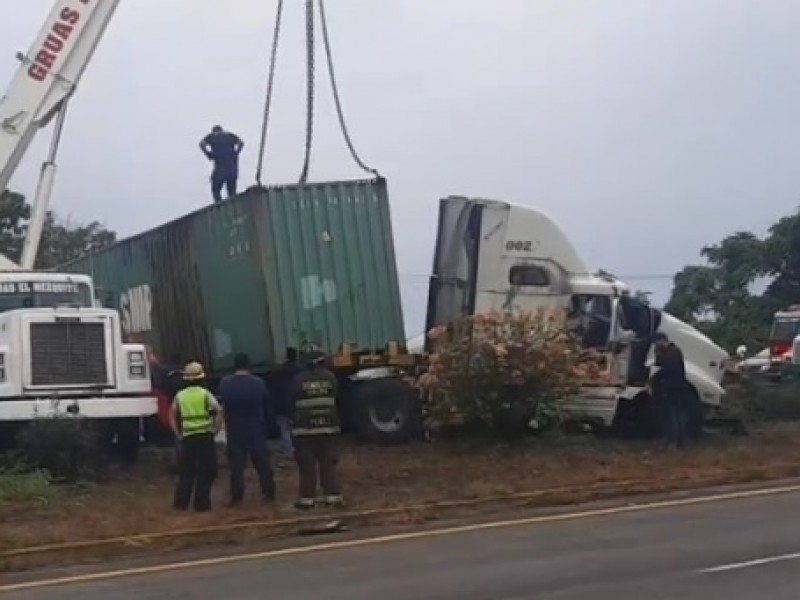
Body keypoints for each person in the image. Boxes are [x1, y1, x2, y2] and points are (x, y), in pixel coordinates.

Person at [217, 352, 276, 505]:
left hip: (235, 428)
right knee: (263, 464)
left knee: (236, 467)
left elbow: (223, 407)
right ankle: (268, 493)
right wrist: (271, 428)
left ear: (234, 365)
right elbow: (267, 407)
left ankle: (237, 496)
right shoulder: (258, 383)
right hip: (255, 427)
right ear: (248, 365)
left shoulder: (225, 383)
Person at [288, 349, 343, 509]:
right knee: (328, 463)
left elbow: (290, 402)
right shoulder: (330, 377)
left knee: (306, 465)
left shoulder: (298, 380)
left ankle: (307, 499)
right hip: (328, 428)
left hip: (304, 430)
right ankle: (332, 497)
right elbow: (337, 400)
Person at [169, 361, 222, 512]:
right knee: (207, 470)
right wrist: (215, 429)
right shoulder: (205, 393)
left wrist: (177, 432)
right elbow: (218, 410)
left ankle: (181, 503)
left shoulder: (180, 396)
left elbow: (171, 414)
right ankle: (202, 504)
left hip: (187, 437)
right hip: (205, 436)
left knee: (187, 471)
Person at [652, 332, 689, 449]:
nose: (657, 345)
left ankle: (675, 441)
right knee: (674, 414)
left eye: (657, 343)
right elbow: (658, 364)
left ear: (662, 340)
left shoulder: (672, 353)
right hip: (674, 386)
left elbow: (667, 369)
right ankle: (675, 441)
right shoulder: (670, 351)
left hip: (674, 387)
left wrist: (656, 377)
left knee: (673, 415)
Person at [199, 125, 244, 203]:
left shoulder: (212, 137)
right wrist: (236, 153)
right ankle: (233, 206)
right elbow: (241, 143)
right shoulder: (230, 136)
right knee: (232, 191)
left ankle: (219, 205)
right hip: (232, 169)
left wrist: (208, 154)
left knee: (216, 189)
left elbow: (201, 144)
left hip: (220, 169)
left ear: (214, 131)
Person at [273, 347, 300, 460]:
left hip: (283, 401)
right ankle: (299, 448)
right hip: (297, 400)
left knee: (284, 428)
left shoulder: (280, 370)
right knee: (298, 426)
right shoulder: (301, 369)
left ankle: (289, 449)